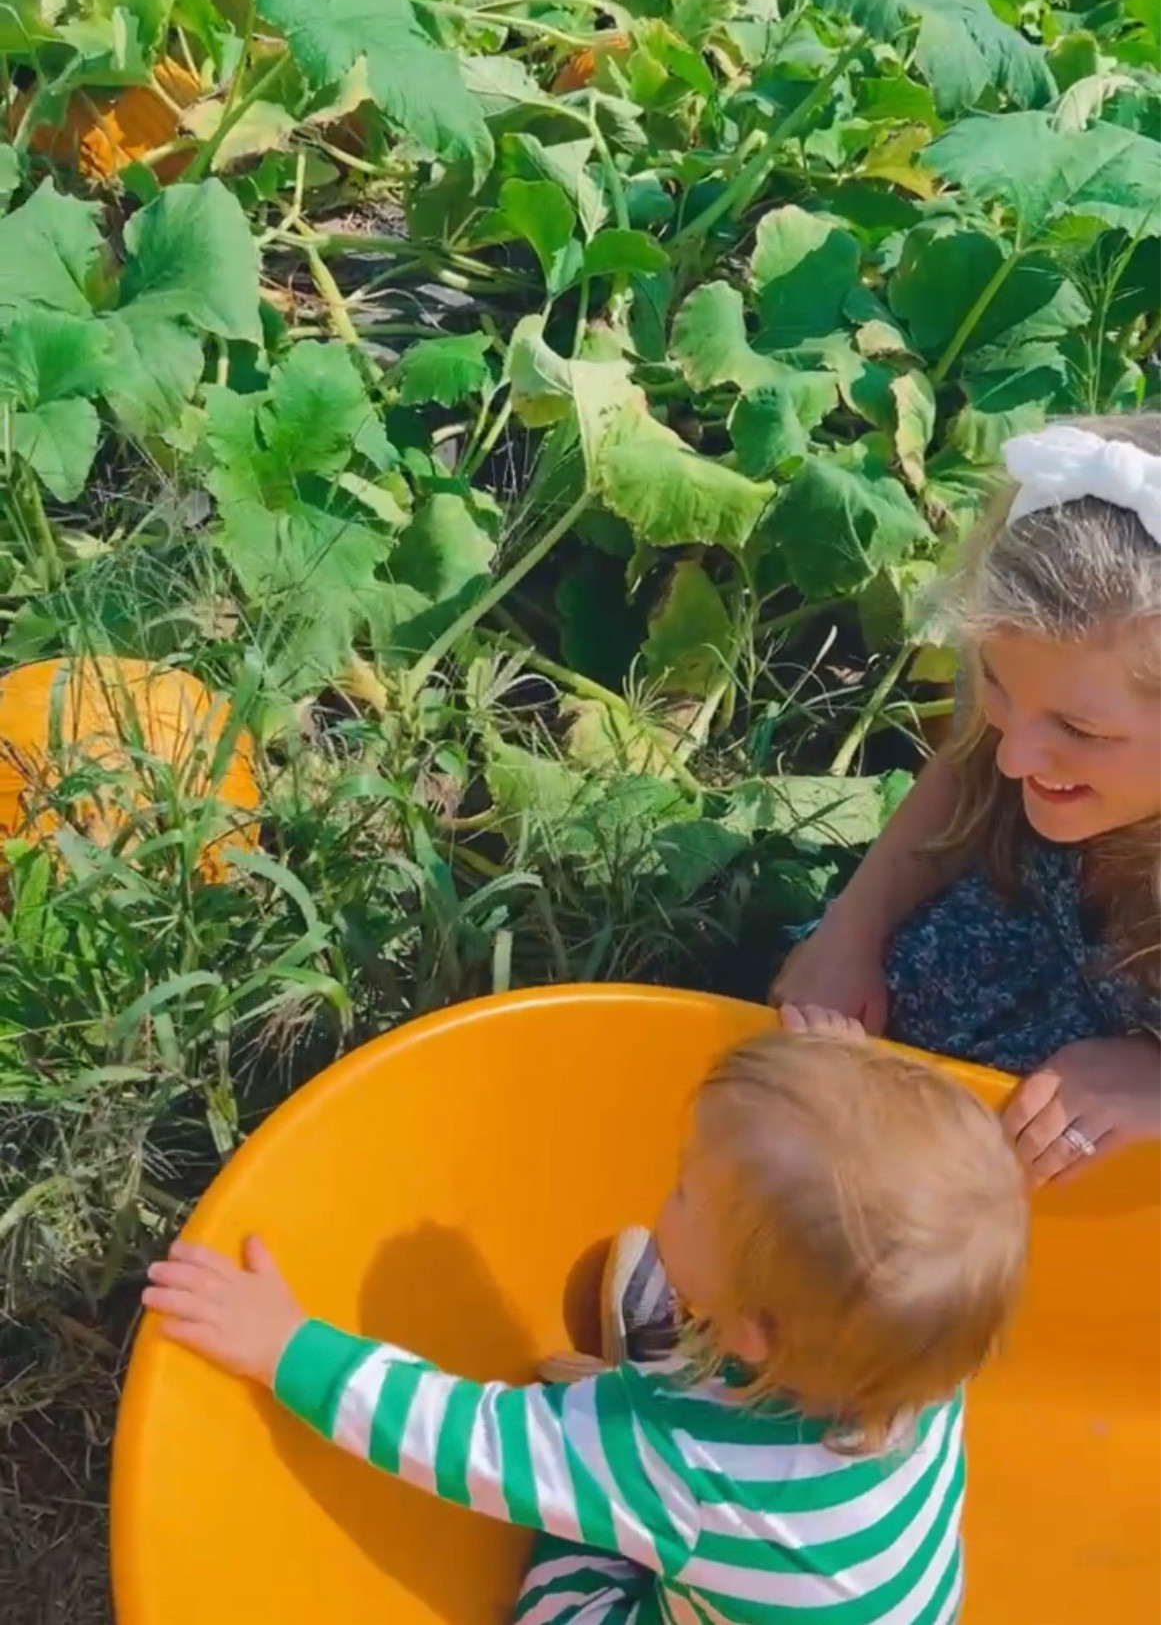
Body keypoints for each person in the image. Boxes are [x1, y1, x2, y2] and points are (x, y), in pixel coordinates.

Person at [143, 1022, 1028, 1625]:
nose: (666, 1190)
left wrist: (285, 1346)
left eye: (685, 1191)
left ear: (755, 1331)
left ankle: (638, 1411)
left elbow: (464, 1437)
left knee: (574, 1559)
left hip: (697, 1539)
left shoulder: (685, 1464)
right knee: (674, 1487)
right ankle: (678, 1356)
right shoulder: (917, 1354)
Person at [775, 416, 1161, 1187]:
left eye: (1078, 731)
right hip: (995, 979)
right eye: (997, 687)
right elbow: (966, 770)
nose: (1016, 755)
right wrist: (851, 931)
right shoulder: (1033, 724)